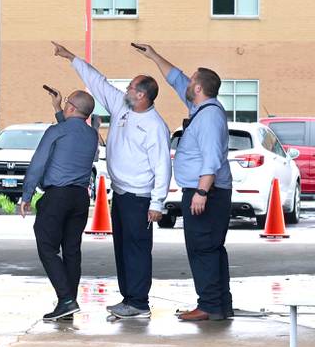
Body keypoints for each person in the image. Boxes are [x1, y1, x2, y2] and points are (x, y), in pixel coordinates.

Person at [52, 42, 171, 319]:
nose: (125, 90)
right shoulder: (122, 106)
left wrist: (158, 203)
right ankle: (129, 299)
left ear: (142, 95)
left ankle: (139, 303)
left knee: (137, 249)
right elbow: (98, 81)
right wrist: (71, 58)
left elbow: (163, 167)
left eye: (130, 87)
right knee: (123, 248)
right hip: (121, 192)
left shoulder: (155, 126)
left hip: (141, 198)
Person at [134, 43, 233, 322]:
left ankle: (210, 305)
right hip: (206, 190)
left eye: (192, 80)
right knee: (211, 248)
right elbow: (175, 77)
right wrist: (153, 56)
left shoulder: (210, 116)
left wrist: (201, 191)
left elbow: (211, 158)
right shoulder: (201, 108)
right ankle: (220, 304)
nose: (186, 82)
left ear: (200, 88)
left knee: (202, 248)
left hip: (207, 193)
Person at [20, 87, 98, 321]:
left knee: (47, 246)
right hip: (79, 198)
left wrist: (26, 195)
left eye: (66, 103)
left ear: (71, 107)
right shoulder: (92, 135)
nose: (64, 104)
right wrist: (57, 108)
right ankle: (69, 302)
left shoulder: (56, 131)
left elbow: (37, 164)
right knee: (72, 250)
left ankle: (65, 299)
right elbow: (71, 131)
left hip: (57, 197)